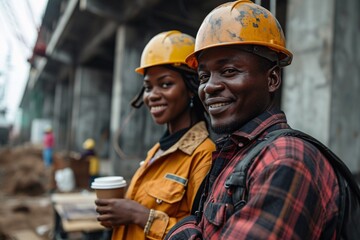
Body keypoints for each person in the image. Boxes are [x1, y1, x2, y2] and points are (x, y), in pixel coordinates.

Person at [165, 1, 341, 239]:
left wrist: (181, 229)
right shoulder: (238, 154)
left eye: (229, 71)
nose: (210, 87)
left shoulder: (285, 159)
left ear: (272, 79)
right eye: (204, 76)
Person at [95, 30, 216, 240]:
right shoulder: (158, 150)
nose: (152, 96)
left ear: (190, 88)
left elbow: (201, 233)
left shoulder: (203, 154)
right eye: (148, 87)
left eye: (166, 84)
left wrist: (137, 214)